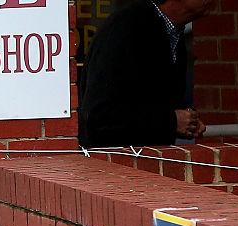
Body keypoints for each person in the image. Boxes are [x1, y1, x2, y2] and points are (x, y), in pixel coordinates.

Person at [78, 0, 213, 148]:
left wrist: (186, 121)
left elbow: (150, 104)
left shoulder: (172, 33)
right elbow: (100, 118)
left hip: (146, 161)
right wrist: (171, 122)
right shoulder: (126, 29)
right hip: (114, 165)